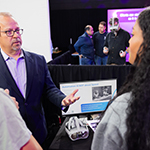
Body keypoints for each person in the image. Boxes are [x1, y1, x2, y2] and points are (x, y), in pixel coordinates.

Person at [0, 12, 80, 149]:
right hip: (9, 138)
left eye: (17, 30)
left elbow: (49, 89)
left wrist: (62, 100)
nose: (16, 35)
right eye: (9, 32)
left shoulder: (38, 60)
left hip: (38, 132)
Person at [91, 7, 150, 150]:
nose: (130, 43)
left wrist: (124, 53)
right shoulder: (108, 35)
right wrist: (105, 49)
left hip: (119, 62)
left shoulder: (123, 107)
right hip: (109, 61)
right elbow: (106, 47)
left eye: (134, 34)